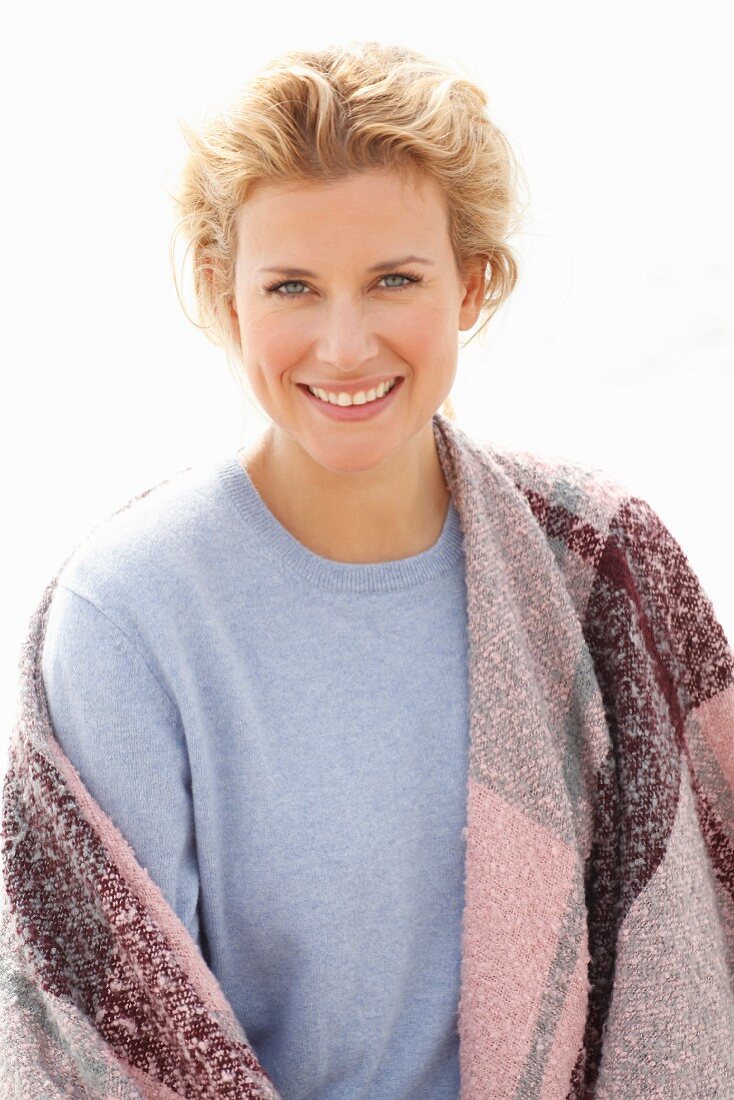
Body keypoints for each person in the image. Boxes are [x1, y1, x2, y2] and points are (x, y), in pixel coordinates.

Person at [10, 37, 731, 1100]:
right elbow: (116, 1056)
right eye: (292, 285)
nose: (343, 346)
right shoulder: (127, 616)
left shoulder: (596, 568)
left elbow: (693, 944)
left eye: (393, 278)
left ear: (470, 282)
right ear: (225, 292)